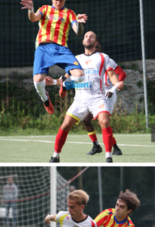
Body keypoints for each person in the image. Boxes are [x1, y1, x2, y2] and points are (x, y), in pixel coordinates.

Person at [47, 31, 124, 163]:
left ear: (96, 42)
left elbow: (112, 75)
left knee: (104, 121)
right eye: (86, 36)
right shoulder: (75, 59)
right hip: (80, 100)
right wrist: (54, 82)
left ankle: (108, 157)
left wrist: (117, 84)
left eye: (92, 36)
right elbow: (66, 79)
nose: (88, 38)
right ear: (83, 41)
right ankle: (55, 156)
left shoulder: (103, 57)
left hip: (97, 98)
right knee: (65, 125)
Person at [19, 0, 86, 114]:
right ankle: (45, 99)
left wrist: (80, 23)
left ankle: (65, 84)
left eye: (61, 0)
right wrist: (30, 9)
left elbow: (78, 31)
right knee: (38, 80)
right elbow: (33, 18)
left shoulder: (70, 13)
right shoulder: (44, 9)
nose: (58, 3)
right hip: (43, 48)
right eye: (56, 0)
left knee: (80, 77)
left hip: (61, 49)